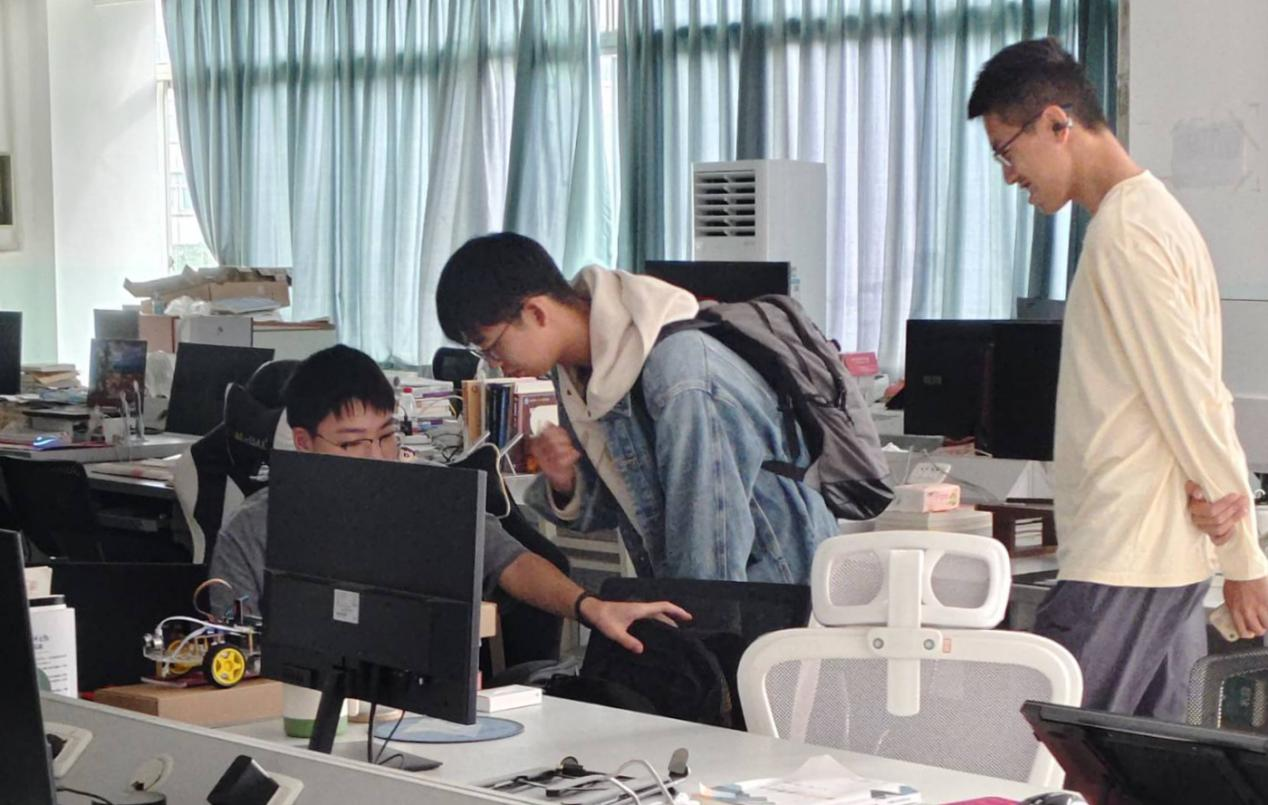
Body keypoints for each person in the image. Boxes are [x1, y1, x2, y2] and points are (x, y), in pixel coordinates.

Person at [968, 37, 1268, 721]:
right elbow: (1193, 393)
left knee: (1040, 755)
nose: (1010, 176)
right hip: (1157, 562)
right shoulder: (1155, 217)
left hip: (1123, 561)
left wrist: (1244, 557)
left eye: (1007, 152)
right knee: (1137, 766)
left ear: (1056, 123)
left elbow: (1192, 397)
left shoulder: (1128, 234)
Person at [208, 345, 689, 654]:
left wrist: (590, 607)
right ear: (304, 441)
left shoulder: (426, 500)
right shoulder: (253, 529)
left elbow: (513, 562)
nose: (376, 456)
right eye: (353, 443)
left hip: (412, 710)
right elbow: (227, 646)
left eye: (386, 436)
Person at [433, 232, 839, 584]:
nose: (495, 364)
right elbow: (624, 505)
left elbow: (710, 537)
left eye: (491, 346)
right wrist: (566, 482)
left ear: (536, 312)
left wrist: (699, 631)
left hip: (775, 590)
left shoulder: (681, 372)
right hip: (703, 592)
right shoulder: (579, 373)